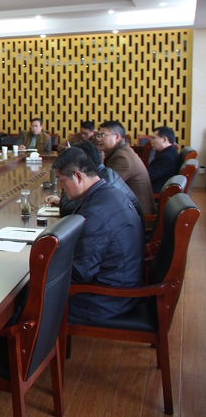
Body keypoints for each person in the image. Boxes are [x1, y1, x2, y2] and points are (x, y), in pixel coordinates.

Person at [52, 148, 144, 322]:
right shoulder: (108, 193)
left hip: (107, 299)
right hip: (121, 285)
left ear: (78, 176)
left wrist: (44, 261)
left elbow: (81, 273)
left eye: (62, 180)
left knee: (29, 301)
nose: (61, 187)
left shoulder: (95, 212)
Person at [46, 141, 143, 223]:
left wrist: (67, 177)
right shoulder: (104, 175)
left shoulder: (103, 185)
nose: (61, 186)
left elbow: (67, 211)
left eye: (61, 180)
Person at [96, 120, 156, 215]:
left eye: (103, 135)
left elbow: (104, 188)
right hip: (129, 209)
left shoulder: (122, 158)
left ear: (117, 137)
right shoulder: (122, 151)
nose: (99, 139)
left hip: (138, 216)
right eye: (98, 136)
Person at [148, 126, 180, 194]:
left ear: (164, 139)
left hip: (156, 191)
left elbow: (149, 176)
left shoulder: (167, 157)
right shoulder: (169, 152)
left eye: (153, 138)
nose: (151, 141)